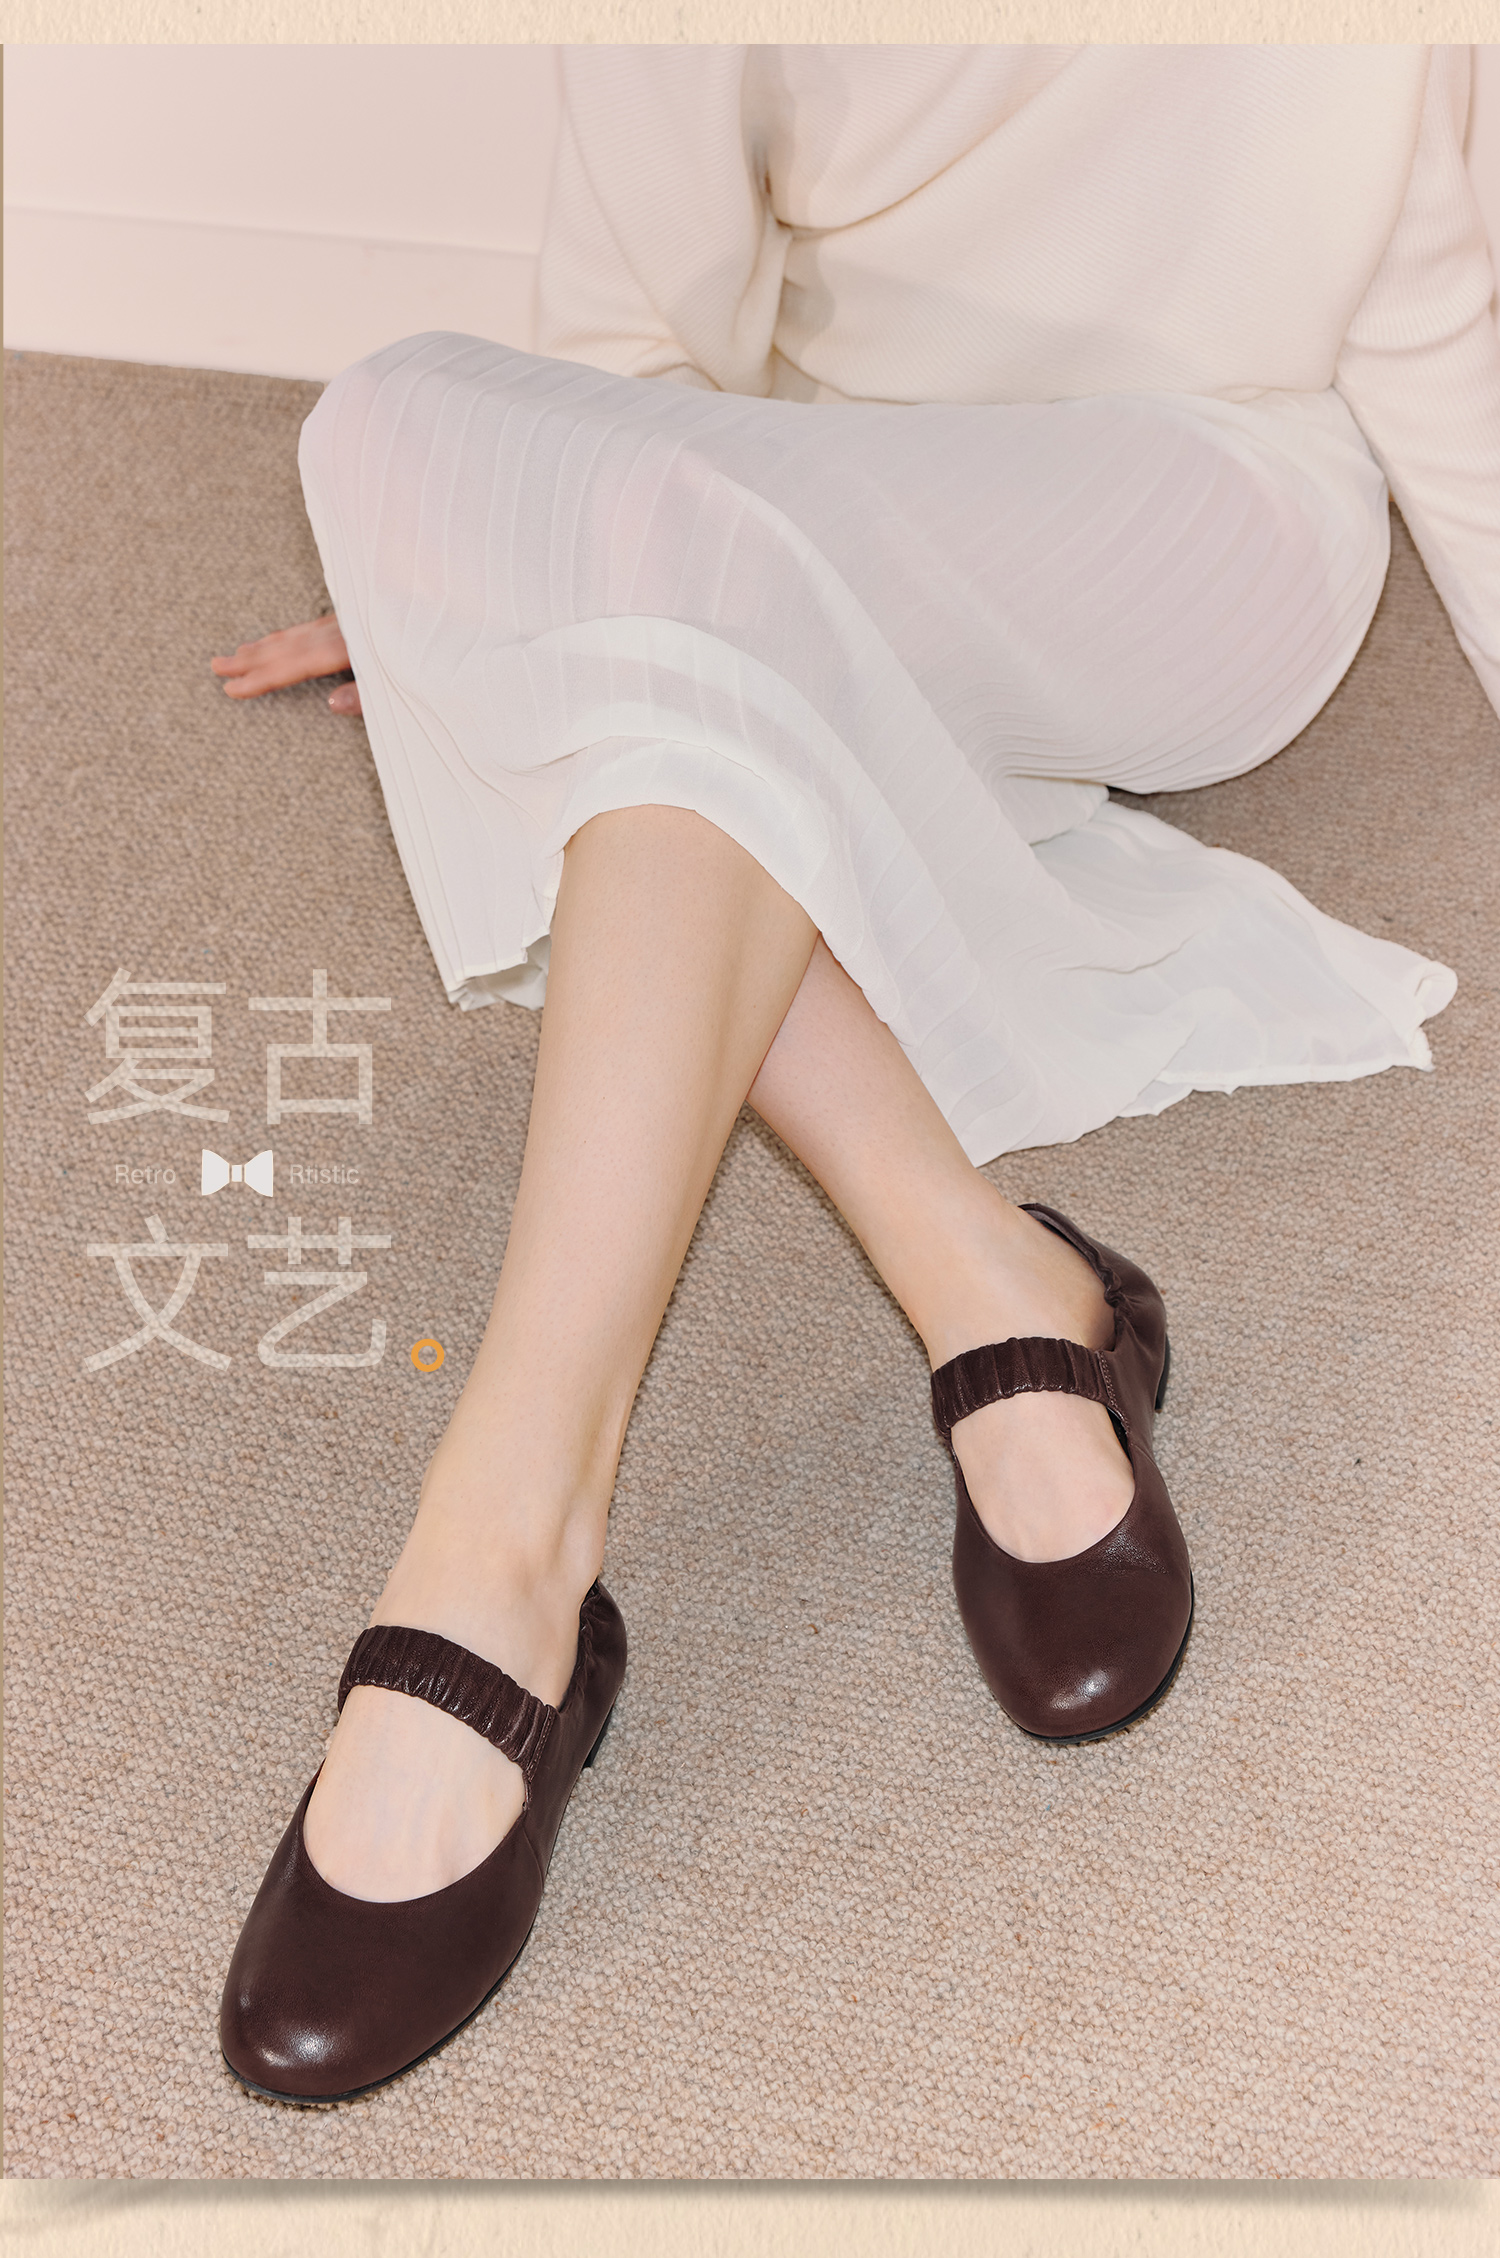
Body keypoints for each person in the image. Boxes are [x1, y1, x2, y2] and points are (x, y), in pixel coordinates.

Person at [212, 46, 1496, 2105]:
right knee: (400, 422)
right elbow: (630, 341)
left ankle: (501, 1552)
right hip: (805, 493)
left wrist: (532, 600)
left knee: (667, 599)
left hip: (1200, 522)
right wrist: (545, 555)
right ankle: (989, 1273)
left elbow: (1442, 315)